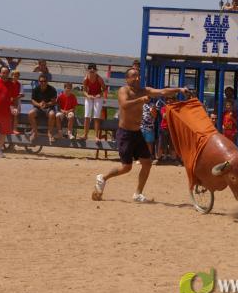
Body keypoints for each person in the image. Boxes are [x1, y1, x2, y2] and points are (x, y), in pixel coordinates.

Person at [92, 68, 189, 203]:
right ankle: (102, 178)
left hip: (137, 133)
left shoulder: (144, 90)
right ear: (127, 79)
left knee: (147, 163)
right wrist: (141, 100)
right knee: (126, 167)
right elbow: (124, 105)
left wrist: (179, 89)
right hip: (125, 133)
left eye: (138, 76)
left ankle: (138, 194)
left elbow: (162, 91)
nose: (137, 78)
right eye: (133, 76)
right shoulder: (124, 91)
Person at [28, 74, 57, 142]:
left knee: (52, 114)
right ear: (39, 82)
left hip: (48, 108)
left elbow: (54, 102)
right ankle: (35, 132)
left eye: (44, 81)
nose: (43, 82)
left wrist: (46, 104)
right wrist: (39, 104)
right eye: (41, 81)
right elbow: (33, 100)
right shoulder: (36, 89)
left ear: (47, 81)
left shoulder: (52, 89)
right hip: (38, 108)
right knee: (30, 113)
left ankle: (49, 133)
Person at [81, 63, 106, 140]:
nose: (92, 70)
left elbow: (104, 89)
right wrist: (88, 96)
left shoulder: (99, 78)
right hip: (89, 96)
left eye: (94, 69)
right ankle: (85, 135)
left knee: (96, 117)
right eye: (90, 68)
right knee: (87, 116)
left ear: (96, 70)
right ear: (88, 70)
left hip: (98, 97)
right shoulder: (85, 79)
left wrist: (99, 94)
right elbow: (84, 91)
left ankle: (96, 136)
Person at [157, 97, 176, 162]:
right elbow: (164, 116)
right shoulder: (163, 108)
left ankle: (174, 159)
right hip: (164, 128)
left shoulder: (175, 109)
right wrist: (169, 111)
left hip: (172, 129)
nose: (169, 101)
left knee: (172, 145)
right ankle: (159, 158)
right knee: (161, 144)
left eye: (171, 100)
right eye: (168, 100)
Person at [10, 70, 24, 135]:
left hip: (16, 103)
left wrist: (15, 98)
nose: (15, 77)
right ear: (11, 76)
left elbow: (21, 94)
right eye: (14, 76)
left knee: (15, 114)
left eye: (17, 76)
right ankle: (7, 129)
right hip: (8, 102)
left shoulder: (20, 84)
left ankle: (14, 129)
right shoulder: (8, 83)